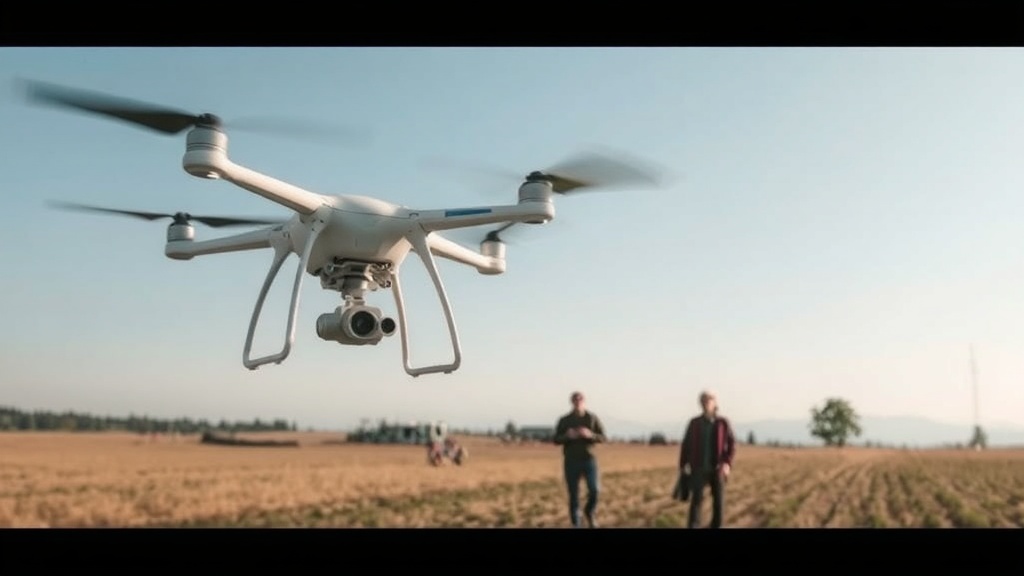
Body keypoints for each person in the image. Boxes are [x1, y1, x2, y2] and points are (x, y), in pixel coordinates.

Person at [679, 390, 736, 528]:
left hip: (718, 469)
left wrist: (727, 463)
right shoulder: (694, 423)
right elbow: (686, 445)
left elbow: (732, 444)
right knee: (696, 502)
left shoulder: (723, 423)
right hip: (698, 468)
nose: (706, 403)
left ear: (714, 403)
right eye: (703, 400)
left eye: (709, 400)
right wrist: (683, 466)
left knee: (719, 503)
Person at [554, 391, 607, 528]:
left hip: (589, 460)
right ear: (571, 402)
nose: (577, 402)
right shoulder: (565, 420)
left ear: (584, 401)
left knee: (595, 490)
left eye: (580, 399)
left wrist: (590, 435)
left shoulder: (592, 418)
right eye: (575, 399)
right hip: (571, 461)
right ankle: (576, 523)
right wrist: (567, 436)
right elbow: (556, 439)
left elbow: (603, 437)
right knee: (574, 494)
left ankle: (589, 512)